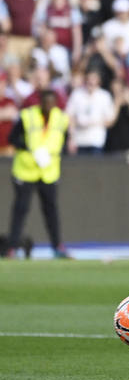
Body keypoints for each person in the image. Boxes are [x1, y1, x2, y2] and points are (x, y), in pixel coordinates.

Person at [5, 90, 69, 259]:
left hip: (48, 171)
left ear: (55, 103)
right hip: (26, 170)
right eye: (45, 102)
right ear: (40, 102)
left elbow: (65, 140)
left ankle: (57, 246)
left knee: (51, 210)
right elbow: (12, 138)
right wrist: (28, 148)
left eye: (51, 102)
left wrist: (51, 154)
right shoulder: (27, 116)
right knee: (20, 209)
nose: (48, 106)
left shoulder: (61, 118)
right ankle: (12, 247)